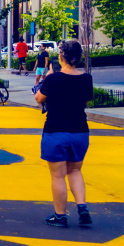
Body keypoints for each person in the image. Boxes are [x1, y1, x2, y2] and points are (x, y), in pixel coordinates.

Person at [33, 40, 93, 227]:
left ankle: (60, 215)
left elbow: (39, 98)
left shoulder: (54, 79)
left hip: (56, 130)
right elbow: (86, 102)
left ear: (61, 57)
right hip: (79, 131)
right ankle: (82, 207)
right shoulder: (86, 78)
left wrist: (48, 78)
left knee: (58, 176)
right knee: (75, 170)